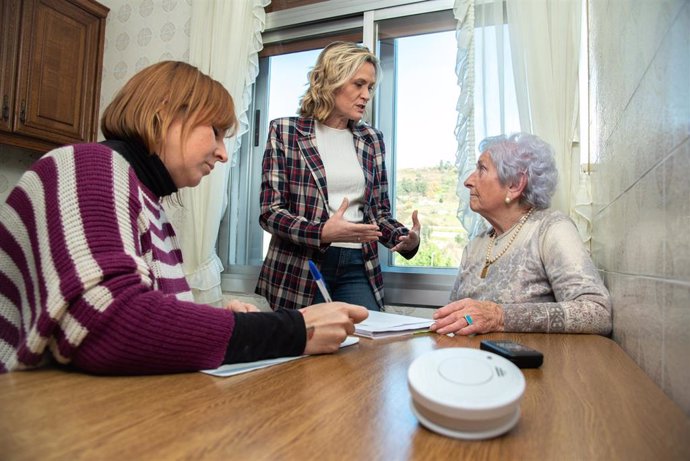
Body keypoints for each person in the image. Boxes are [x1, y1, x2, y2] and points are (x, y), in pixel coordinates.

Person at [0, 61, 368, 375]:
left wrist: (211, 317)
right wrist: (294, 329)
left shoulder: (146, 200)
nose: (223, 154)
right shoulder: (87, 166)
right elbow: (107, 324)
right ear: (166, 115)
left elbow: (142, 317)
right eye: (217, 133)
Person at [256, 41, 421, 312]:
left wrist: (405, 239)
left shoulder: (372, 140)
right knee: (312, 348)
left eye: (370, 87)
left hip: (359, 264)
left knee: (370, 343)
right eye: (358, 84)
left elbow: (379, 214)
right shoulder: (286, 132)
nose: (366, 95)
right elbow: (270, 212)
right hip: (301, 266)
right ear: (332, 81)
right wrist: (321, 232)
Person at [430, 133, 612, 336]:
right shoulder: (474, 246)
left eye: (481, 169)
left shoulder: (550, 229)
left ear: (515, 185)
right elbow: (452, 321)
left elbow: (597, 312)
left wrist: (499, 316)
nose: (468, 181)